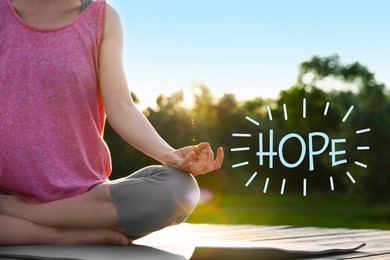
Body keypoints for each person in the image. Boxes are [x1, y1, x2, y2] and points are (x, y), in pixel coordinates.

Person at [0, 0, 224, 246]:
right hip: (5, 193)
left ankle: (25, 216)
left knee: (179, 189)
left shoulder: (102, 18)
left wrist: (169, 155)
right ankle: (62, 235)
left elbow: (121, 106)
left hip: (83, 199)